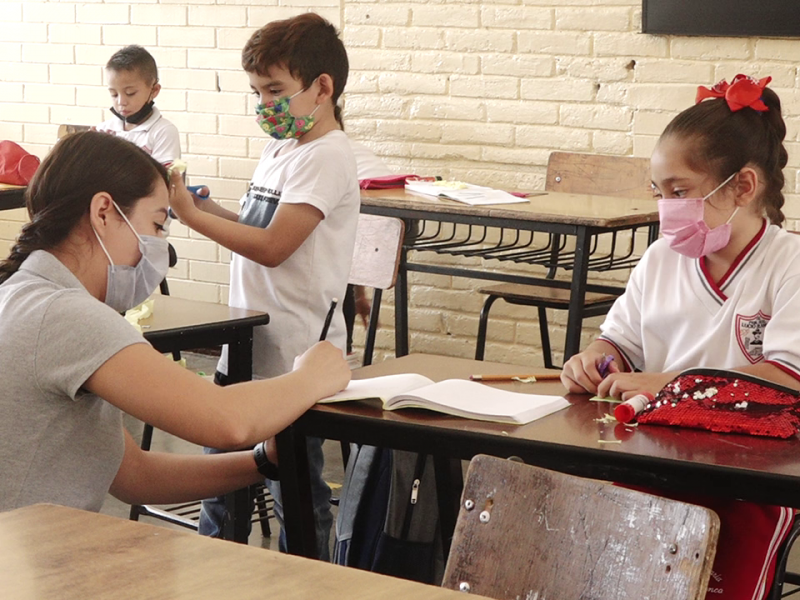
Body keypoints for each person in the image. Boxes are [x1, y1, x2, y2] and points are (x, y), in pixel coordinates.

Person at [0, 130, 350, 514]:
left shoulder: (25, 294)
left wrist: (263, 461)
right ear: (103, 212)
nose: (158, 245)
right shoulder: (67, 315)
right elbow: (227, 420)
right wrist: (312, 377)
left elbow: (134, 475)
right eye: (157, 225)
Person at [561, 74, 799, 600]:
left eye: (680, 192)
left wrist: (665, 384)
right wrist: (595, 359)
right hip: (647, 461)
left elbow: (783, 382)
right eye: (659, 192)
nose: (667, 207)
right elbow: (618, 346)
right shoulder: (660, 259)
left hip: (748, 484)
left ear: (742, 187)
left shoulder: (789, 265)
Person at [168, 13, 360, 559]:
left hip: (297, 356)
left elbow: (275, 249)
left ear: (322, 87)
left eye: (275, 90)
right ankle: (218, 575)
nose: (264, 105)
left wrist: (193, 217)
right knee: (222, 480)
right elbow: (256, 228)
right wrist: (204, 207)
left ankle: (308, 582)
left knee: (295, 490)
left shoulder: (328, 155)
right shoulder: (283, 147)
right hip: (248, 342)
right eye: (256, 91)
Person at [96, 45, 181, 166]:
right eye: (114, 94)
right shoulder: (104, 130)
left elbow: (163, 181)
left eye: (130, 93)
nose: (121, 102)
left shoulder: (163, 131)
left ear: (154, 90)